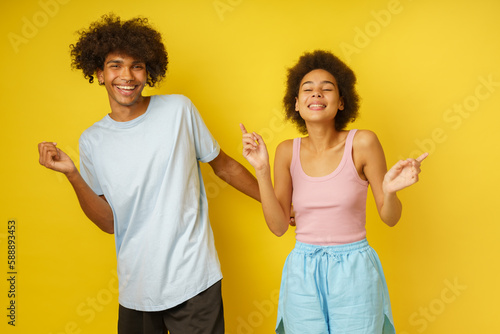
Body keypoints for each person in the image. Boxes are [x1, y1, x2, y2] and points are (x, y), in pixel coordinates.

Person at [38, 14, 260, 334]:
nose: (126, 75)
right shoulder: (92, 140)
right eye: (115, 65)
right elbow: (109, 223)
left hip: (194, 279)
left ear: (148, 72)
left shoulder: (178, 110)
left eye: (137, 65)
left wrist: (277, 204)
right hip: (137, 287)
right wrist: (72, 174)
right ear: (99, 73)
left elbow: (224, 166)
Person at [241, 50, 427, 334]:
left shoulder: (363, 143)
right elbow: (278, 227)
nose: (317, 94)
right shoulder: (285, 152)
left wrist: (389, 192)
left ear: (341, 102)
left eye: (326, 89)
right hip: (302, 271)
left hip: (355, 270)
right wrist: (262, 170)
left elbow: (390, 218)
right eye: (308, 89)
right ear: (297, 103)